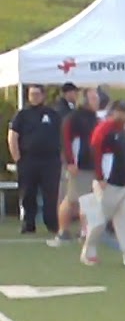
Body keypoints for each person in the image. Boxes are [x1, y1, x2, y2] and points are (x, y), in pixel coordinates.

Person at [81, 100, 125, 266]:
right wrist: (100, 177)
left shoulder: (122, 130)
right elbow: (95, 151)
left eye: (124, 111)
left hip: (124, 181)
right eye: (120, 111)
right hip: (109, 181)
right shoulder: (104, 128)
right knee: (98, 220)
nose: (123, 115)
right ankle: (88, 252)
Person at [8, 85, 62, 234]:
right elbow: (13, 136)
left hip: (50, 161)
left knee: (51, 194)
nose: (34, 97)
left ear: (43, 95)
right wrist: (17, 158)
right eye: (32, 94)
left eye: (37, 94)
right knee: (28, 194)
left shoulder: (52, 114)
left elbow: (62, 134)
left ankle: (52, 224)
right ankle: (28, 224)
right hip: (28, 160)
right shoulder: (22, 115)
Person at [49, 87, 100, 245]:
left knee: (87, 199)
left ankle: (84, 231)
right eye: (93, 98)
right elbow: (66, 141)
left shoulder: (94, 118)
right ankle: (63, 231)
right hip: (79, 165)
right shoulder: (73, 118)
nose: (97, 101)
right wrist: (71, 162)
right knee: (72, 199)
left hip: (91, 165)